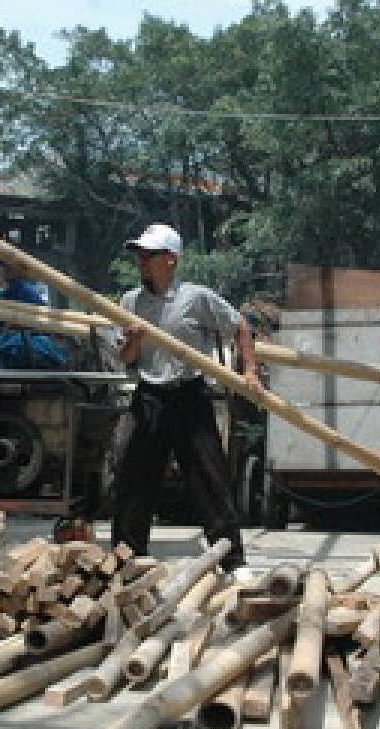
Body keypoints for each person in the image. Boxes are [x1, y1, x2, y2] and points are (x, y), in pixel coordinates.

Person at [111, 223, 258, 572]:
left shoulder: (196, 298)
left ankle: (232, 561)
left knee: (209, 478)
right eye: (140, 256)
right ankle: (126, 557)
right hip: (150, 397)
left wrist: (249, 371)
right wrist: (132, 339)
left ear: (171, 260)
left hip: (189, 395)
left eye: (150, 256)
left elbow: (240, 325)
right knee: (134, 478)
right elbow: (127, 358)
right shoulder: (131, 302)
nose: (142, 262)